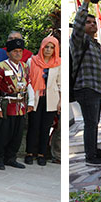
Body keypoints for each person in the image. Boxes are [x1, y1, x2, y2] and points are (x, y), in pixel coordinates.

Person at [71, 0, 101, 167]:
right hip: (85, 88)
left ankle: (94, 149)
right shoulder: (80, 41)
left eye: (94, 22)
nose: (92, 24)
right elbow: (78, 25)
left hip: (96, 88)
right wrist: (85, 3)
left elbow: (100, 68)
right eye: (89, 22)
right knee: (90, 122)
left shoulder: (95, 44)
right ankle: (90, 156)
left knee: (94, 122)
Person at [0, 39, 30, 169]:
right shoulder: (1, 67)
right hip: (6, 104)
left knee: (17, 134)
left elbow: (28, 84)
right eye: (15, 51)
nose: (18, 54)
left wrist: (30, 102)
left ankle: (11, 157)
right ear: (8, 53)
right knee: (3, 133)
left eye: (20, 51)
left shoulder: (25, 66)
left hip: (21, 105)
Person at [25, 36, 60, 166]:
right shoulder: (32, 61)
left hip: (51, 99)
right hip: (35, 98)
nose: (49, 50)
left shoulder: (58, 63)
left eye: (52, 47)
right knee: (33, 126)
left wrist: (60, 102)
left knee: (46, 128)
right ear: (42, 47)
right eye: (46, 46)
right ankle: (29, 153)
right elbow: (27, 80)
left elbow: (60, 83)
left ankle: (41, 154)